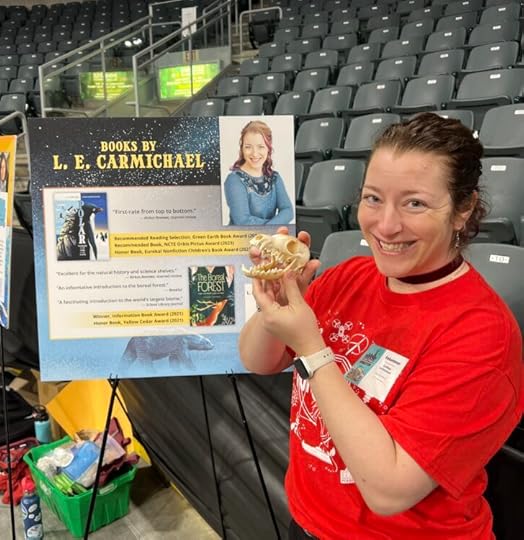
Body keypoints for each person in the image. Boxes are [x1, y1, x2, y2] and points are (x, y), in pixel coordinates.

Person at [239, 113, 523, 540]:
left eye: (415, 203)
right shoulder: (349, 275)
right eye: (373, 198)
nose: (385, 226)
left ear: (463, 210)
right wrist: (276, 303)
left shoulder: (482, 335)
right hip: (310, 520)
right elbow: (257, 360)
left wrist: (314, 352)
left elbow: (389, 492)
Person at [224, 120, 293, 225]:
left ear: (268, 149)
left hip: (268, 239)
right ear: (242, 149)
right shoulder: (234, 180)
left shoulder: (274, 177)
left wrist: (270, 228)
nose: (255, 153)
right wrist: (274, 226)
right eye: (248, 147)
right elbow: (242, 221)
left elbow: (288, 211)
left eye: (260, 146)